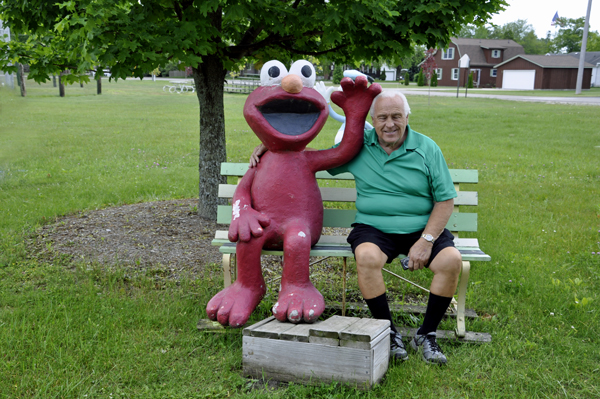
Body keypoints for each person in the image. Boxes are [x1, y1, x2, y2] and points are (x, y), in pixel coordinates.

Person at [250, 90, 461, 365]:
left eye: (396, 116)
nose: (389, 124)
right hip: (373, 228)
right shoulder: (358, 146)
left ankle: (427, 334)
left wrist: (427, 240)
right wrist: (275, 148)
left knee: (451, 261)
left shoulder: (426, 148)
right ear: (373, 119)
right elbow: (318, 157)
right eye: (382, 117)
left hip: (422, 228)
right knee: (367, 257)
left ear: (407, 117)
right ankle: (389, 332)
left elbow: (445, 200)